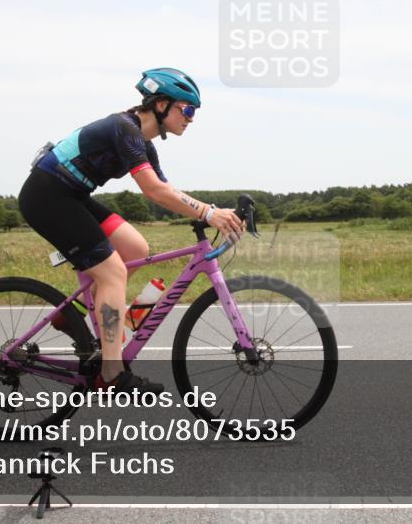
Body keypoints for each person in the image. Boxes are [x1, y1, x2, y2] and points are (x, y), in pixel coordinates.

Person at [18, 67, 245, 395]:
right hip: (47, 196)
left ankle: (71, 316)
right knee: (112, 274)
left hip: (71, 195)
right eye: (188, 110)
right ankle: (111, 374)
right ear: (162, 105)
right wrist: (209, 213)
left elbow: (167, 191)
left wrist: (217, 212)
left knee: (136, 249)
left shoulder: (143, 143)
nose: (191, 119)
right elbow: (154, 191)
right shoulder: (124, 129)